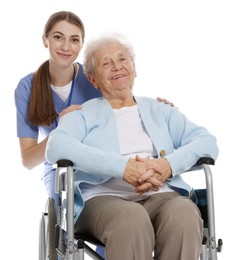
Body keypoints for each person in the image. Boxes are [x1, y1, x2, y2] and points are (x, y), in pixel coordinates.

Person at [45, 32, 219, 260]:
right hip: (102, 199)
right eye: (106, 63)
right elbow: (55, 147)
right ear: (93, 80)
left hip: (162, 194)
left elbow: (207, 142)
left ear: (134, 69)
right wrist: (123, 168)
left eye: (122, 59)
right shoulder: (83, 114)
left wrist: (167, 165)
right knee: (131, 219)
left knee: (185, 213)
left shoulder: (161, 110)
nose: (117, 67)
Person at [14, 11, 172, 259]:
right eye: (58, 37)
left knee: (124, 206)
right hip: (60, 169)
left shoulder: (93, 78)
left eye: (74, 40)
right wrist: (62, 131)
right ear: (45, 40)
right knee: (70, 200)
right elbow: (28, 159)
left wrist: (160, 113)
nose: (66, 46)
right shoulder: (28, 87)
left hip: (104, 163)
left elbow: (126, 106)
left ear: (81, 44)